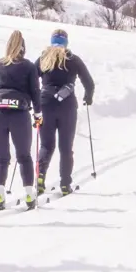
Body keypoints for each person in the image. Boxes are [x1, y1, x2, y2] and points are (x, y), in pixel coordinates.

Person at [36, 29, 95, 197]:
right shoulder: (73, 59)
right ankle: (65, 184)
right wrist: (88, 98)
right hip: (67, 105)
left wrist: (33, 98)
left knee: (46, 145)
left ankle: (40, 178)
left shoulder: (43, 58)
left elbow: (30, 77)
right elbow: (89, 82)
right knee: (65, 147)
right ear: (66, 43)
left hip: (45, 103)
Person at [0, 30, 40, 211]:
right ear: (23, 48)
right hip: (20, 114)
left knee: (1, 159)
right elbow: (35, 92)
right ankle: (28, 193)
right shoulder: (29, 66)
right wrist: (38, 114)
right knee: (24, 156)